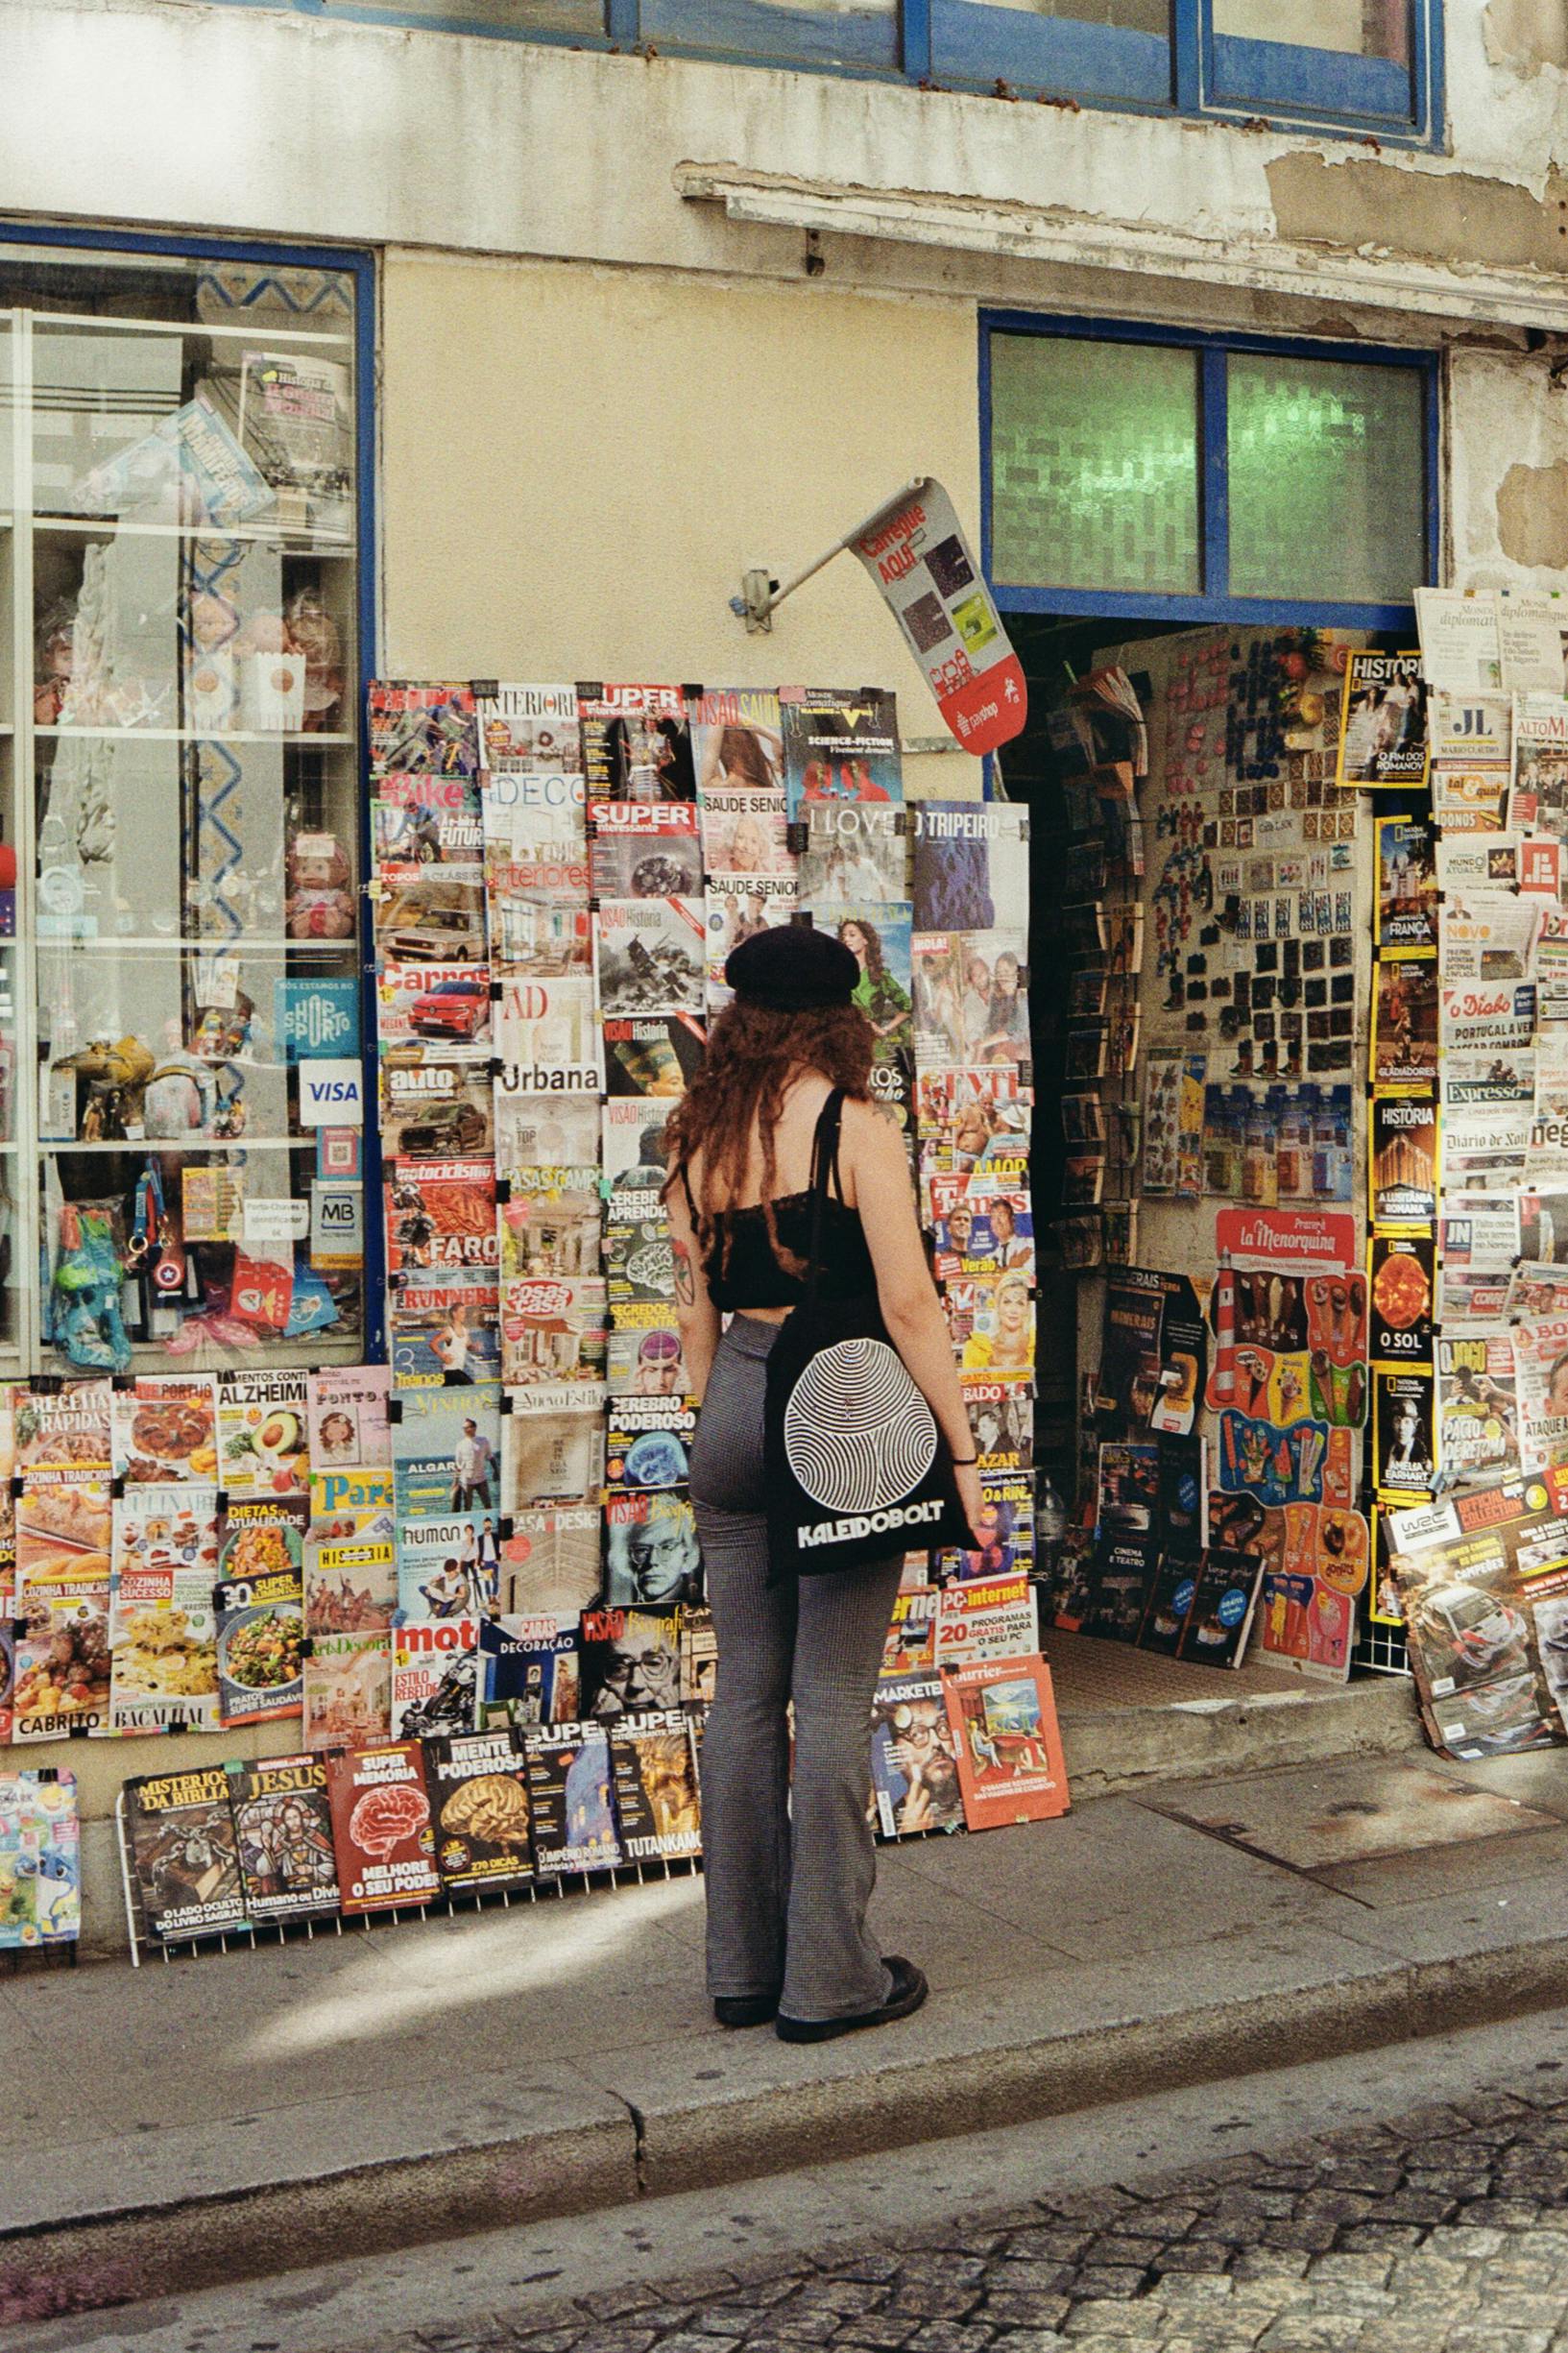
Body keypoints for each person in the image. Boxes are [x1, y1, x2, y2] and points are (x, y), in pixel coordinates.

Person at [664, 924, 979, 2045]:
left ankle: (742, 1969)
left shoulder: (698, 1133)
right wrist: (961, 1454)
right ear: (839, 1019)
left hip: (734, 1408)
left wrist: (723, 1429)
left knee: (745, 1693)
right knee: (835, 1694)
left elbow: (695, 1320)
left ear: (742, 1015)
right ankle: (831, 1978)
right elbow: (906, 1305)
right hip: (839, 1404)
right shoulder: (855, 1128)